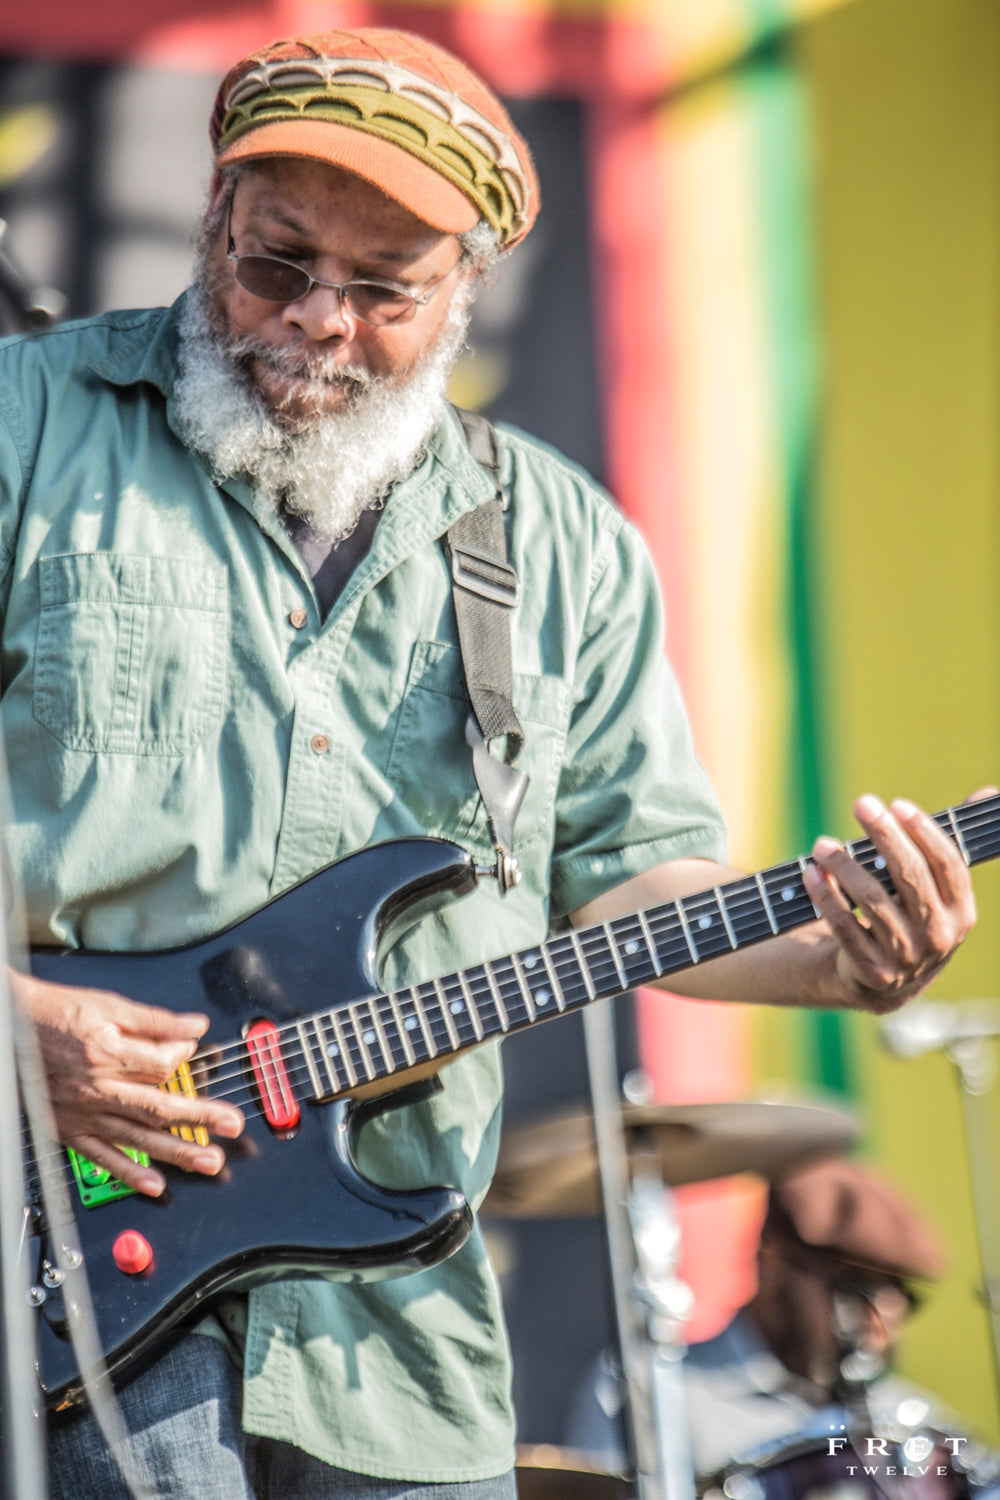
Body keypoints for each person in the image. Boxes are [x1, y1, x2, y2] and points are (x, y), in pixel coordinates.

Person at [0, 26, 980, 1500]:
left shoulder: (560, 542)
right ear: (210, 214)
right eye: (276, 261)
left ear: (465, 291)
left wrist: (843, 963)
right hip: (62, 1270)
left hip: (398, 1345)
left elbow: (634, 875)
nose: (319, 320)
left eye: (384, 288)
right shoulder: (29, 428)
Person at [567, 1157, 991, 1486]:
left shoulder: (918, 1429)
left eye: (899, 1297)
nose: (880, 1320)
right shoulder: (648, 1392)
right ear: (772, 1262)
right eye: (854, 1289)